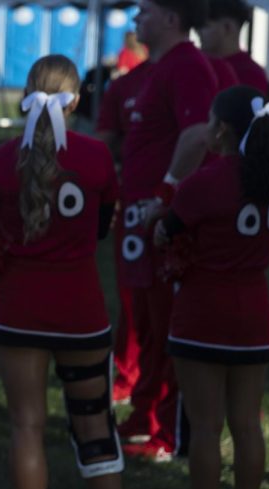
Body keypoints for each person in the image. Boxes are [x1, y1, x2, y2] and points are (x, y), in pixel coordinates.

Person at [0, 56, 125, 489]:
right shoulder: (98, 156)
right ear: (75, 100)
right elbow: (102, 227)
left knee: (26, 427)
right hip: (82, 312)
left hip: (18, 312)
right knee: (95, 425)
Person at [155, 86, 269, 489]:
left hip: (203, 313)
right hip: (255, 313)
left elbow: (163, 231)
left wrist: (171, 185)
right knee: (247, 423)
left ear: (223, 129)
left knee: (206, 426)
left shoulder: (206, 182)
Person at [116, 0, 218, 463]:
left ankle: (163, 429)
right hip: (144, 220)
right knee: (148, 322)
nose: (136, 19)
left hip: (161, 222)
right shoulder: (161, 67)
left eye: (146, 11)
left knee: (166, 323)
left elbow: (198, 135)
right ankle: (144, 417)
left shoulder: (187, 66)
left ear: (172, 19)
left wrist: (166, 194)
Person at [96, 53, 154, 405]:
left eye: (145, 12)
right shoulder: (125, 85)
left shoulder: (196, 70)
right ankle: (130, 373)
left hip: (179, 205)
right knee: (133, 295)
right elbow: (105, 139)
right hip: (135, 207)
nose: (136, 20)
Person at [198, 0, 268, 95]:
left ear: (227, 27)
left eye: (205, 26)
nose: (199, 32)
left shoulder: (251, 74)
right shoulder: (198, 63)